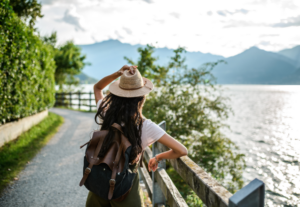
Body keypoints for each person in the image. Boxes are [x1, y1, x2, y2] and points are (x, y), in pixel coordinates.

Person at [86, 65, 188, 207]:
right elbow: (182, 150)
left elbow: (97, 87)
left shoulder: (106, 111)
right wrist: (158, 157)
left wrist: (118, 73)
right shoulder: (146, 126)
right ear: (141, 98)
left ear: (116, 94)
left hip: (100, 177)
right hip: (124, 185)